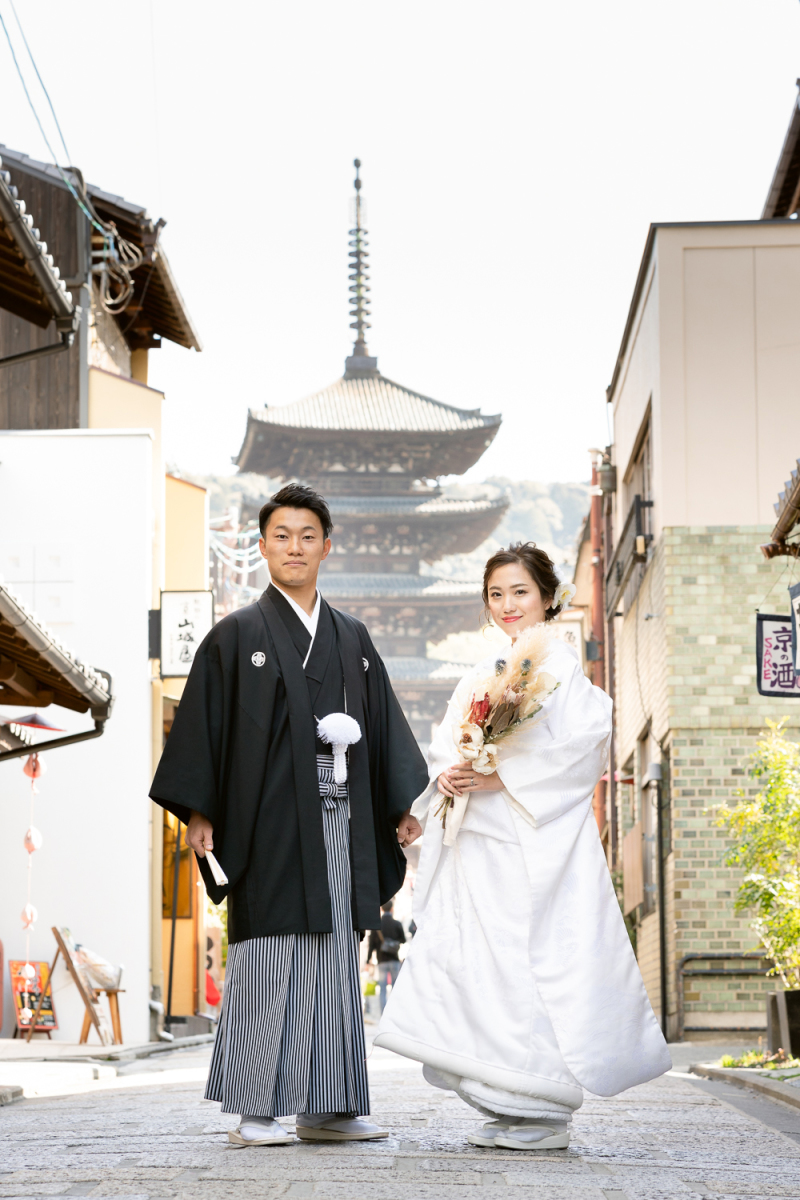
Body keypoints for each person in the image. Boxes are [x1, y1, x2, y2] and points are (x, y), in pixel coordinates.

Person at [150, 483, 426, 1147]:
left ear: (327, 546)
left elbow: (383, 726)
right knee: (268, 952)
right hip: (266, 819)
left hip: (341, 818)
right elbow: (205, 728)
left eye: (307, 536)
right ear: (262, 546)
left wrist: (399, 804)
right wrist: (199, 811)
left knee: (334, 958)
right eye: (281, 535)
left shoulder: (352, 636)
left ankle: (327, 1106)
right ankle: (255, 1109)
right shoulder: (235, 634)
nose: (294, 547)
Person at [374, 542, 671, 1152]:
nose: (507, 604)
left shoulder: (560, 669)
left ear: (547, 598)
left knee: (526, 963)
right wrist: (442, 786)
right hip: (477, 843)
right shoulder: (483, 673)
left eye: (520, 592)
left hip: (529, 844)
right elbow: (449, 747)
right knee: (478, 963)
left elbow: (583, 749)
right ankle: (505, 1099)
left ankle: (542, 1104)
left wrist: (501, 778)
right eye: (496, 594)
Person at [367, 899, 406, 1012]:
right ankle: (394, 1012)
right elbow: (403, 940)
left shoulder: (377, 925)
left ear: (382, 909)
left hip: (381, 960)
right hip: (394, 959)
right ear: (392, 909)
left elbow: (371, 945)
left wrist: (368, 960)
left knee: (382, 989)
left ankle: (383, 1013)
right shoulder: (397, 923)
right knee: (395, 987)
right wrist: (393, 942)